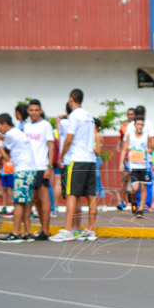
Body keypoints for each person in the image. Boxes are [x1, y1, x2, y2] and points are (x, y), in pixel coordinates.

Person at [52, 89, 99, 242]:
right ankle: (91, 230)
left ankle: (68, 230)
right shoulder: (89, 116)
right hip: (90, 159)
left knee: (72, 194)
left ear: (71, 99)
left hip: (77, 159)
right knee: (91, 196)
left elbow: (68, 139)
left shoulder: (74, 115)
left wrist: (61, 156)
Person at [0, 114, 36, 242]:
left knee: (18, 202)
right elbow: (7, 152)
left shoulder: (10, 134)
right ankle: (28, 232)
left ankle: (16, 233)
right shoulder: (17, 133)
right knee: (26, 203)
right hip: (31, 170)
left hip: (22, 170)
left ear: (5, 124)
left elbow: (7, 158)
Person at [23, 100, 55, 240]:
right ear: (28, 111)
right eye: (31, 110)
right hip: (28, 167)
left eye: (36, 110)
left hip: (42, 166)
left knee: (44, 199)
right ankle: (31, 230)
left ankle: (46, 230)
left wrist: (49, 166)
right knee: (32, 200)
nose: (34, 113)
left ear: (40, 111)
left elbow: (51, 146)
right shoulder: (25, 127)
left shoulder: (46, 125)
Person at [119, 115, 153, 217]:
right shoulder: (130, 136)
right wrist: (121, 162)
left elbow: (151, 148)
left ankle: (140, 209)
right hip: (133, 165)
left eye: (141, 125)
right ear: (134, 125)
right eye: (138, 124)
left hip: (144, 166)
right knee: (134, 188)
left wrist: (149, 150)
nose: (140, 126)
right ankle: (133, 203)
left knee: (143, 187)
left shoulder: (146, 136)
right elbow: (125, 149)